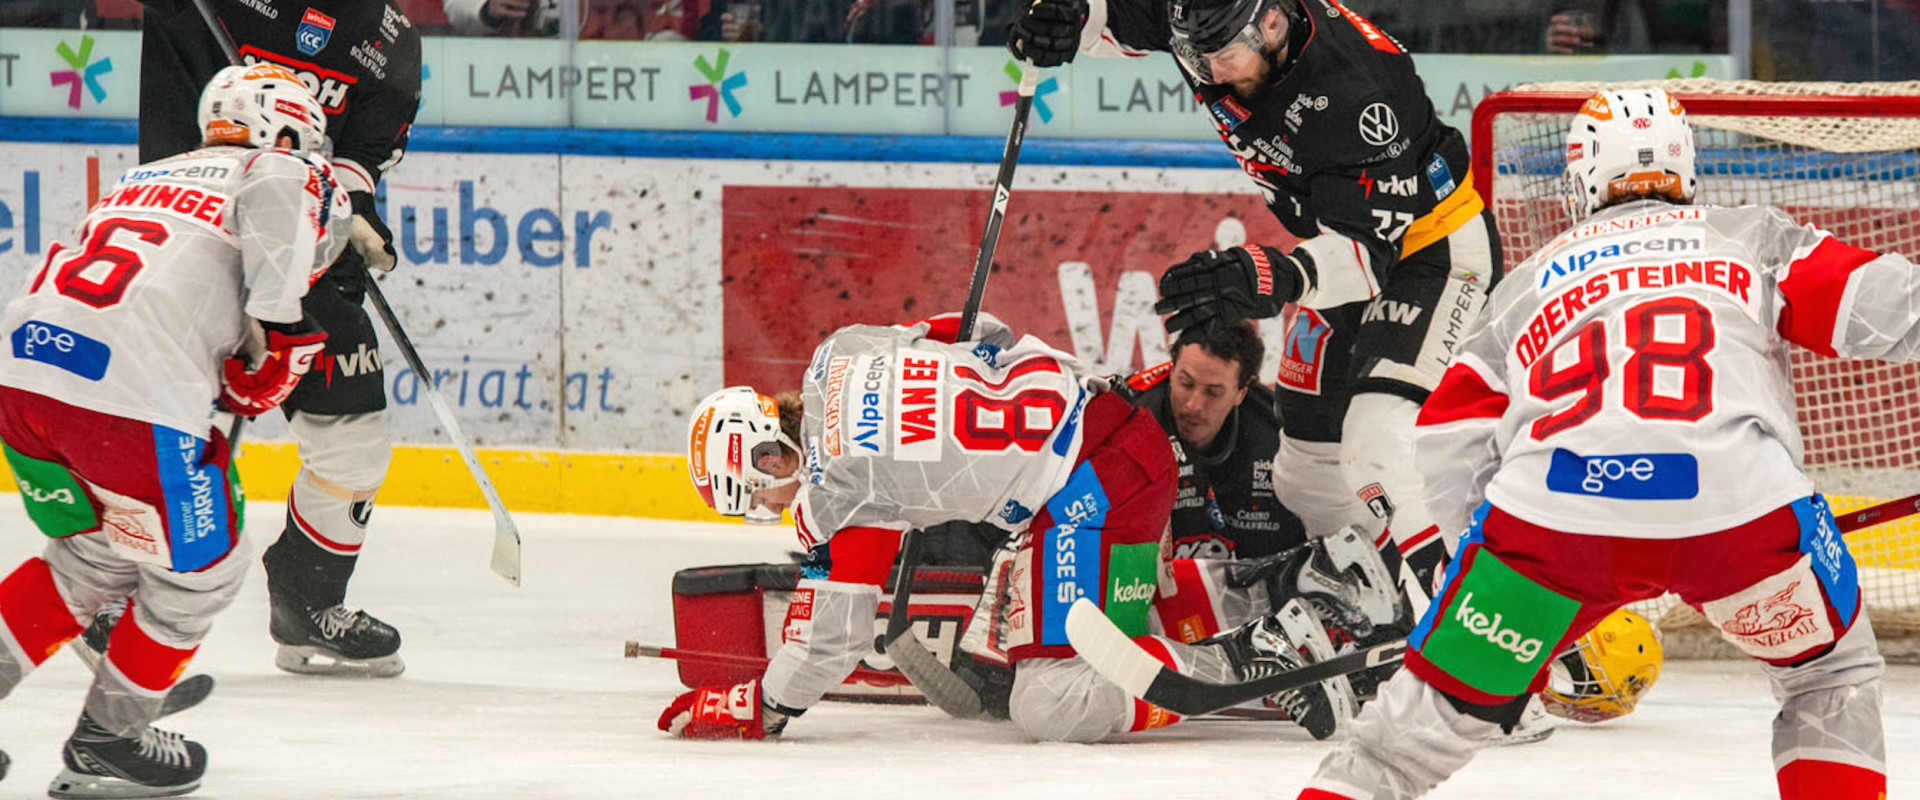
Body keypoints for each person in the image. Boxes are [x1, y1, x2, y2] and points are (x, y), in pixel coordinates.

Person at [1297, 87, 1900, 800]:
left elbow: (1447, 437)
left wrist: (1480, 578)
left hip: (1553, 529)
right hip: (1741, 512)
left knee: (1396, 752)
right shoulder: (1753, 236)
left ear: (1582, 178)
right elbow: (1893, 307)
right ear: (1688, 169)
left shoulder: (1524, 285)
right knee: (1829, 678)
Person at [1006, 0, 1503, 620]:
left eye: (1225, 57)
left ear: (1272, 26)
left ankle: (1473, 625)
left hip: (1429, 253)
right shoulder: (1208, 18)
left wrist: (1272, 273)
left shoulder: (1362, 92)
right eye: (1198, 59)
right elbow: (1113, 22)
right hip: (1334, 250)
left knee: (1377, 446)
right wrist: (1067, 22)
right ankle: (1366, 611)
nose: (1212, 74)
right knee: (1305, 475)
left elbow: (1372, 256)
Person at [661, 313, 1364, 742]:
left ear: (767, 456)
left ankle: (1257, 654)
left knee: (1050, 701)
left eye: (759, 489)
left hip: (1092, 487)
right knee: (1096, 627)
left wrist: (762, 706)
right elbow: (988, 331)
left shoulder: (834, 493)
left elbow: (831, 642)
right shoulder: (844, 351)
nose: (774, 501)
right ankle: (1290, 584)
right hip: (1107, 438)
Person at [0, 64, 348, 797]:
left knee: (91, 559)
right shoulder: (279, 163)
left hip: (24, 379)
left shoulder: (148, 175)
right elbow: (280, 244)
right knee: (201, 572)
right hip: (127, 404)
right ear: (285, 129)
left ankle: (107, 727)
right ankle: (111, 739)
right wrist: (281, 338)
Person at [132, 0, 422, 677]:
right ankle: (119, 598)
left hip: (296, 240)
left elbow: (362, 153)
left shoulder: (393, 39)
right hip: (191, 231)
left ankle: (307, 601)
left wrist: (350, 215)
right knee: (148, 432)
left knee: (354, 433)